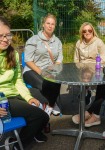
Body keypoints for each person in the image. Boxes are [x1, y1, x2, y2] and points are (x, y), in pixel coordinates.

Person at [0, 16, 49, 149]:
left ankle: (33, 131)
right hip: (4, 99)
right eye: (1, 36)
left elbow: (18, 81)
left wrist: (28, 97)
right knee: (40, 116)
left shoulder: (13, 54)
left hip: (14, 93)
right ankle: (17, 145)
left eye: (7, 35)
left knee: (44, 100)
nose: (5, 39)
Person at [23, 13, 63, 116]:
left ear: (55, 26)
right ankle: (52, 103)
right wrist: (41, 72)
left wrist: (55, 69)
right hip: (32, 70)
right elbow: (28, 60)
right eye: (48, 23)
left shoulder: (57, 42)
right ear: (43, 25)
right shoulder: (34, 40)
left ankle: (50, 105)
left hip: (50, 70)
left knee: (57, 80)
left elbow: (59, 59)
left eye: (53, 24)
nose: (50, 26)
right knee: (47, 84)